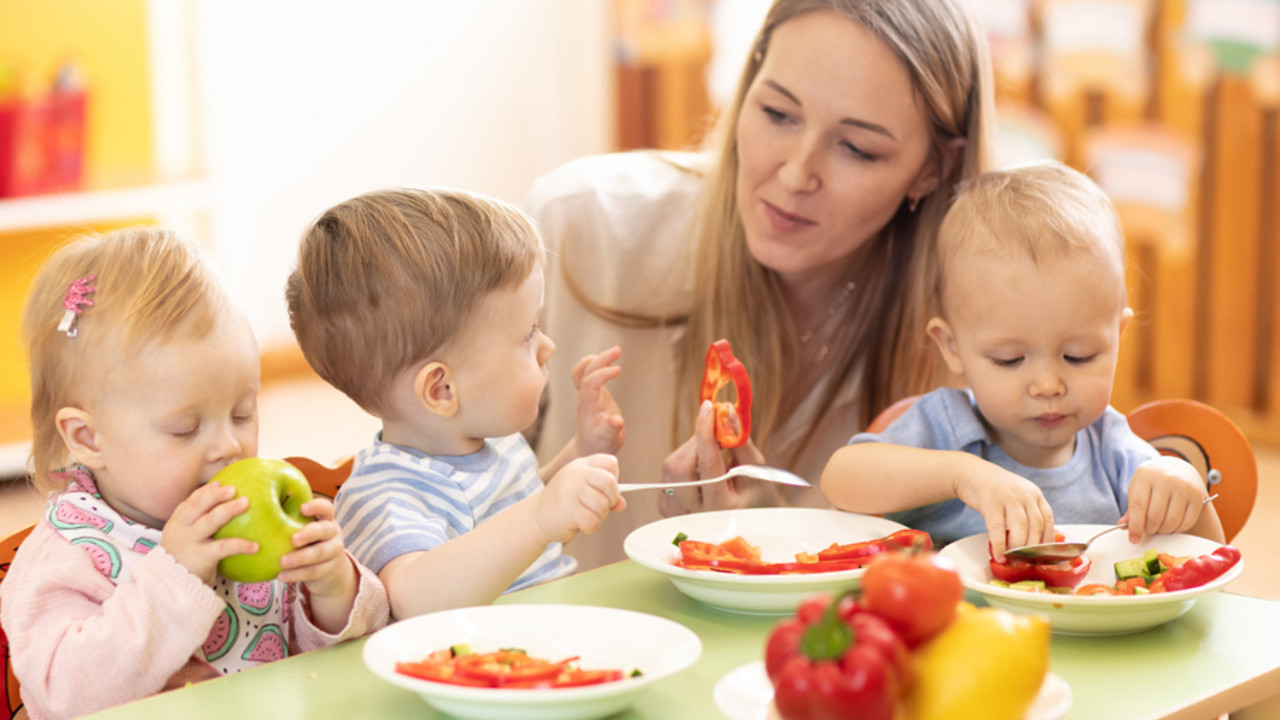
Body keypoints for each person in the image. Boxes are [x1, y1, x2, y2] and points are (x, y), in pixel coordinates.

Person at [526, 0, 997, 569]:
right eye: (778, 113)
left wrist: (782, 548)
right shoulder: (578, 227)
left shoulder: (978, 346)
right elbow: (439, 503)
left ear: (933, 169)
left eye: (857, 148)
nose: (796, 174)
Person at [3, 228, 389, 720]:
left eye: (243, 414)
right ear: (87, 438)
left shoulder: (247, 518)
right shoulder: (65, 559)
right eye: (186, 429)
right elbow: (64, 697)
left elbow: (334, 660)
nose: (229, 445)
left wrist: (332, 589)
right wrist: (173, 579)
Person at [820, 162, 1225, 560]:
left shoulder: (1113, 450)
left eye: (1078, 356)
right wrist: (962, 476)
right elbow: (840, 478)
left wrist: (1184, 487)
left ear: (1117, 338)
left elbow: (1211, 557)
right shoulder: (946, 427)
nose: (1048, 384)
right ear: (953, 347)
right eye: (1010, 359)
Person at [285, 188, 626, 619]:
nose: (548, 347)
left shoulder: (494, 444)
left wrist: (582, 456)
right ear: (442, 390)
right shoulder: (383, 495)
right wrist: (542, 515)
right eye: (527, 335)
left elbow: (517, 521)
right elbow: (412, 598)